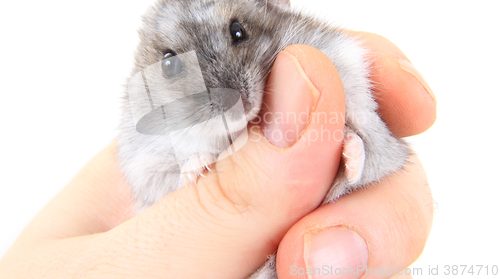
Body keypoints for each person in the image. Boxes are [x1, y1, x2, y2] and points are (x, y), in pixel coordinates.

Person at [0, 32, 436, 279]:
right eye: (174, 64)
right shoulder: (148, 139)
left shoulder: (294, 56)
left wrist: (351, 141)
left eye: (238, 36)